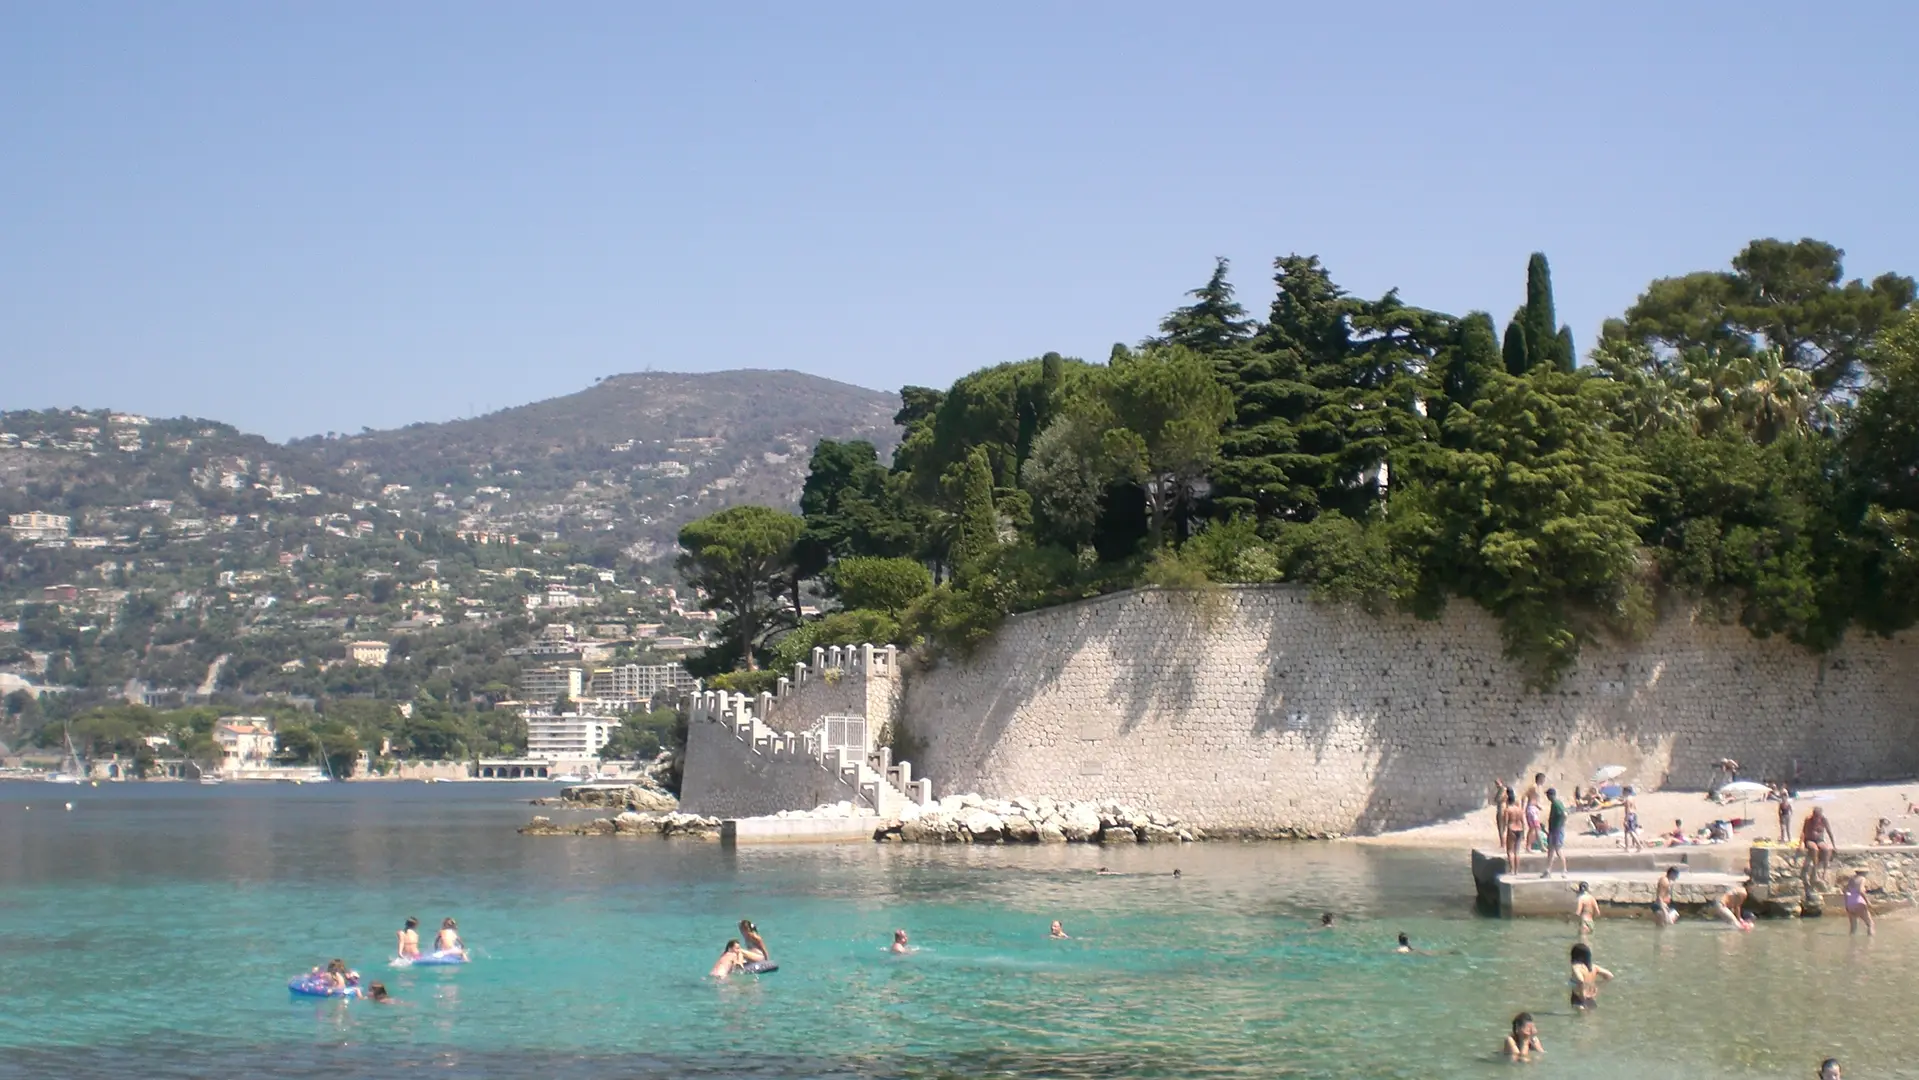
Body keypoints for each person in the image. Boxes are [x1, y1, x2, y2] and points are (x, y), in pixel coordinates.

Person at [1568, 942, 1613, 1009]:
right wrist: (1597, 986)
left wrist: (1582, 998)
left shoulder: (1576, 967)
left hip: (1579, 1000)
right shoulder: (1594, 967)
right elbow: (1610, 976)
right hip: (1591, 999)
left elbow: (1580, 981)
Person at [1802, 807, 1836, 882]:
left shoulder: (1824, 820)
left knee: (1826, 849)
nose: (1816, 818)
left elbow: (1829, 832)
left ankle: (1825, 871)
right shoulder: (1808, 820)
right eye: (1815, 816)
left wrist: (1834, 845)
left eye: (1818, 816)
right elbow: (1803, 832)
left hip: (1820, 840)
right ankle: (1815, 869)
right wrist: (1800, 844)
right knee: (1814, 849)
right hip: (1809, 840)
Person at [1542, 788, 1569, 878]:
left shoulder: (1556, 804)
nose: (1547, 797)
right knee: (1550, 850)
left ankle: (1564, 870)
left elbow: (1565, 814)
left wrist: (1561, 824)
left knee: (1558, 850)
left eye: (1547, 795)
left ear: (1550, 795)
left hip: (1557, 830)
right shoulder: (1555, 804)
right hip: (1553, 829)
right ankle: (1548, 870)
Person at [1844, 870, 1875, 936]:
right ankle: (1871, 942)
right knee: (1870, 924)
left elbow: (1846, 892)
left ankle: (1852, 944)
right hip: (1859, 902)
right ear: (1864, 872)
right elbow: (1860, 890)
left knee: (1853, 928)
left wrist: (1847, 903)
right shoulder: (1862, 879)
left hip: (1850, 903)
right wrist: (1868, 901)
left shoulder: (1851, 880)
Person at [1502, 789, 1525, 869]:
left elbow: (1506, 822)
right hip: (1520, 829)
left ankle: (1512, 869)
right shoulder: (1520, 810)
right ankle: (1516, 871)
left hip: (1512, 829)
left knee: (1510, 851)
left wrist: (1504, 832)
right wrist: (1524, 833)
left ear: (1508, 801)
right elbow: (1523, 822)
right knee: (1517, 852)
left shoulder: (1507, 810)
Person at [1522, 773, 1545, 853]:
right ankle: (1530, 847)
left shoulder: (1537, 787)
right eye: (1543, 779)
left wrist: (1537, 806)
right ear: (1540, 779)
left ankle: (1540, 847)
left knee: (1535, 828)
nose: (1544, 781)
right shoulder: (1534, 787)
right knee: (1534, 828)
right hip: (1531, 809)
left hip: (1534, 809)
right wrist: (1523, 808)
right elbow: (1524, 796)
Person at [1621, 787, 1643, 853]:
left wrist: (1626, 819)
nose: (1622, 793)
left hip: (1629, 815)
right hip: (1633, 814)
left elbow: (1627, 809)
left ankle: (1639, 845)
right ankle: (1626, 847)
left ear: (1626, 792)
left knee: (1631, 831)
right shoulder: (1632, 798)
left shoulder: (1627, 799)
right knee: (1626, 832)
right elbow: (1634, 807)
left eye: (1623, 791)